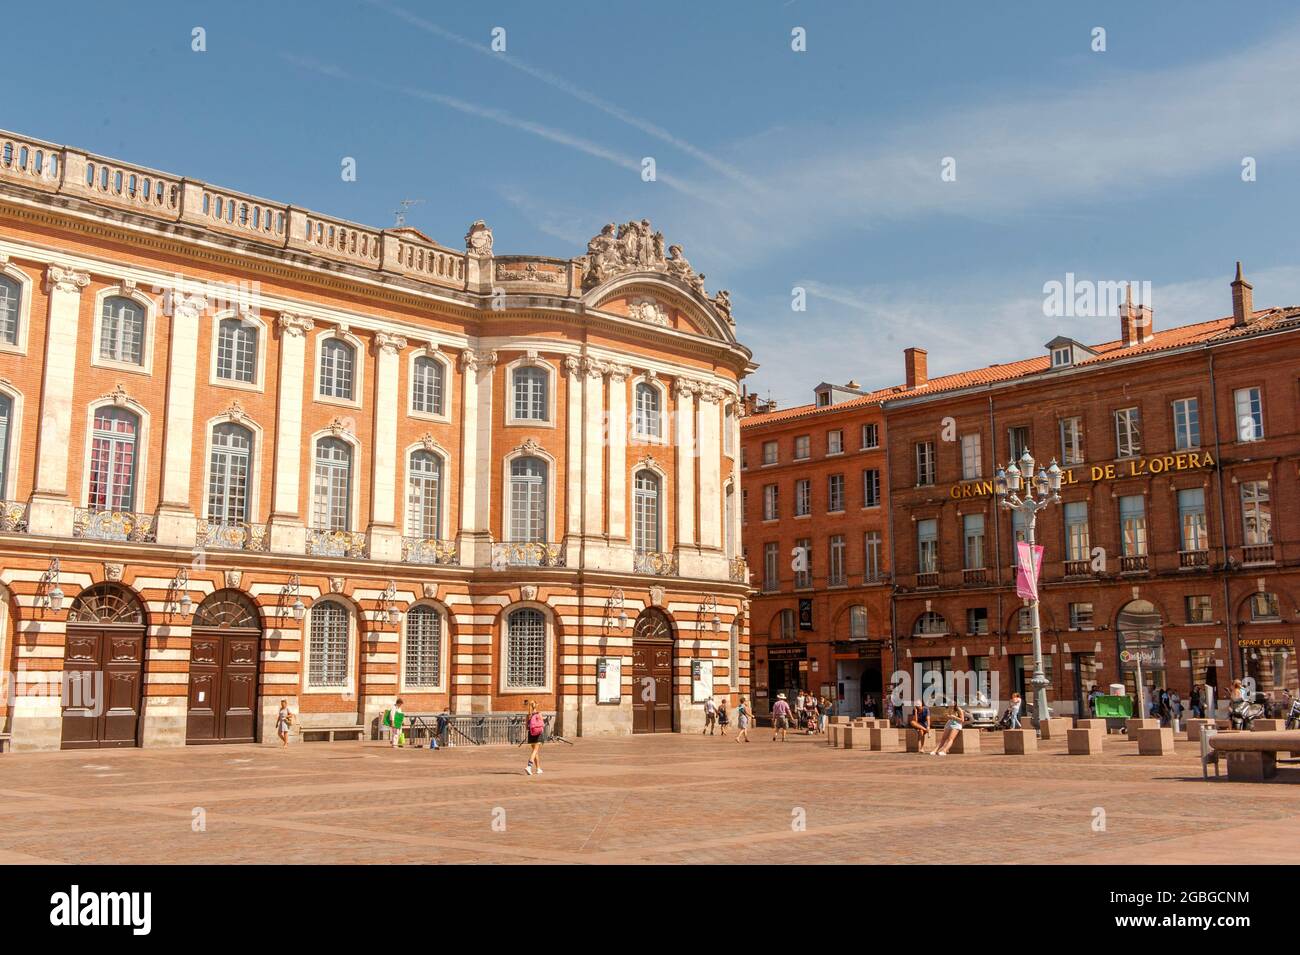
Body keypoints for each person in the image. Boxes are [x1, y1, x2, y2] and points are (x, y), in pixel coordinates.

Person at [524, 699, 545, 775]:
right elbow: (542, 724)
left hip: (531, 734)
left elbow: (527, 727)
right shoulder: (539, 714)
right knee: (535, 751)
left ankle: (538, 768)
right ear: (536, 705)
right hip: (538, 734)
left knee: (535, 751)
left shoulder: (528, 715)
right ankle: (529, 766)